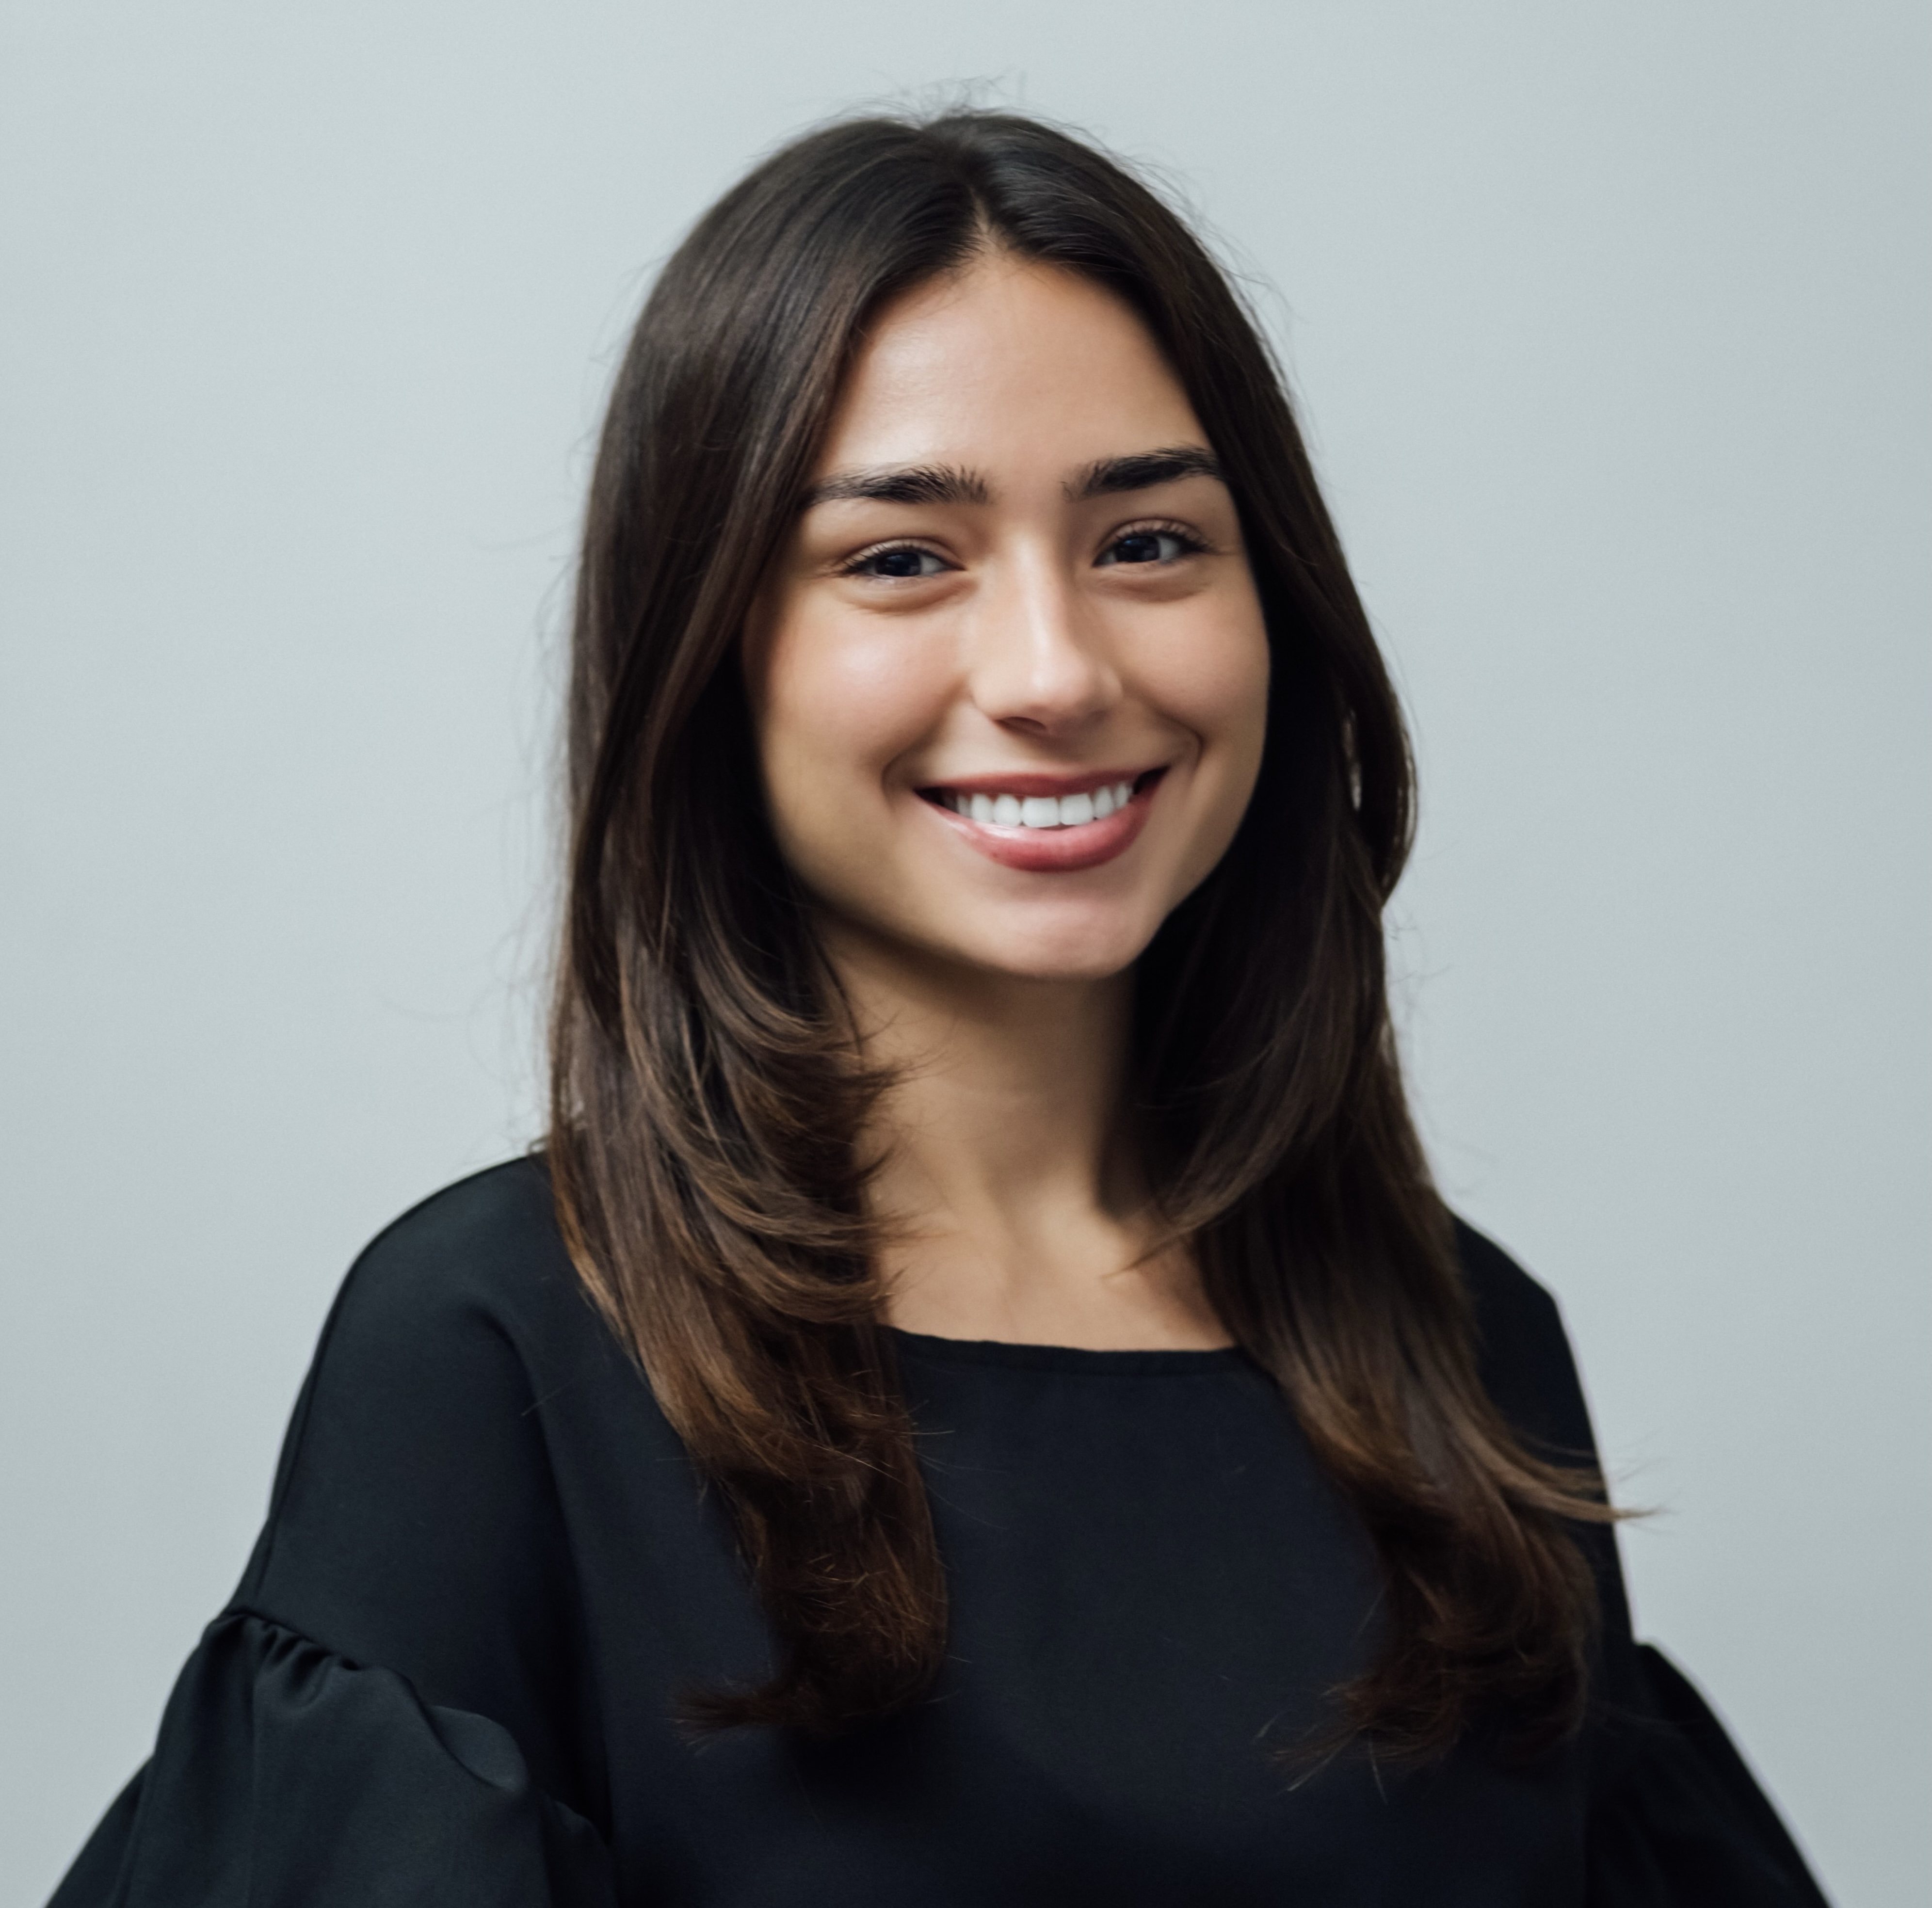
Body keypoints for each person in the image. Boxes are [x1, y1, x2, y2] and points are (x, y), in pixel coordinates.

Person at [49, 111, 1829, 1907]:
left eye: (1150, 540)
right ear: (709, 652)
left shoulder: (1466, 1344)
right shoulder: (497, 1353)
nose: (1055, 671)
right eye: (902, 558)